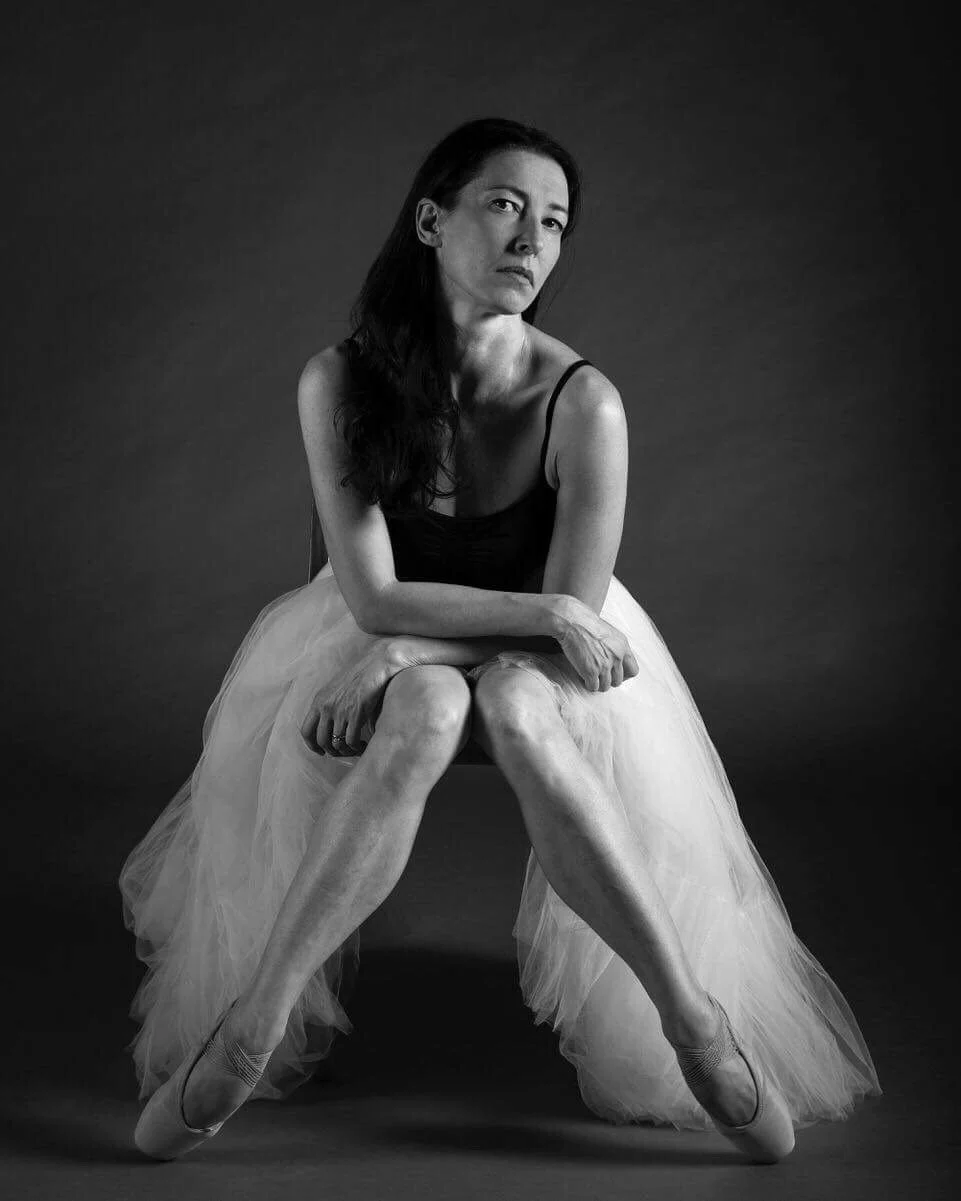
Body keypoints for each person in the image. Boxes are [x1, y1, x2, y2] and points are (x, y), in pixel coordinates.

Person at [120, 116, 881, 1164]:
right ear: (432, 222)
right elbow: (375, 597)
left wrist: (438, 640)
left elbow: (570, 629)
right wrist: (403, 649)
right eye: (505, 205)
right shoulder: (336, 381)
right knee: (429, 704)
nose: (532, 239)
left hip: (540, 661)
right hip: (404, 641)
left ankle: (694, 1022)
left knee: (520, 705)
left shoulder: (584, 403)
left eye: (555, 222)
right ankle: (250, 1026)